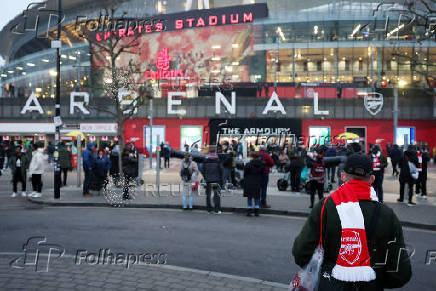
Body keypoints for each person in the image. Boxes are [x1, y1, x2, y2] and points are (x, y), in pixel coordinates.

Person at [292, 154, 412, 290]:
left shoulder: (325, 207)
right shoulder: (387, 215)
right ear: (372, 179)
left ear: (343, 176)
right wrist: (376, 279)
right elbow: (401, 272)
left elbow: (300, 252)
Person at [200, 145, 224, 214]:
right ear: (215, 151)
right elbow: (221, 170)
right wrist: (221, 179)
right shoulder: (218, 159)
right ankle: (217, 209)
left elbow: (202, 170)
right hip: (217, 179)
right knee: (217, 195)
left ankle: (209, 209)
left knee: (208, 195)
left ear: (209, 151)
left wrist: (205, 176)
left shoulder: (205, 159)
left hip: (208, 180)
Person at [243, 152, 264, 217]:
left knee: (249, 196)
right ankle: (257, 211)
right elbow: (263, 173)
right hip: (257, 181)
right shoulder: (261, 165)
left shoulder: (248, 164)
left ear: (252, 157)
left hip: (249, 181)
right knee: (257, 196)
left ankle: (249, 210)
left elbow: (245, 173)